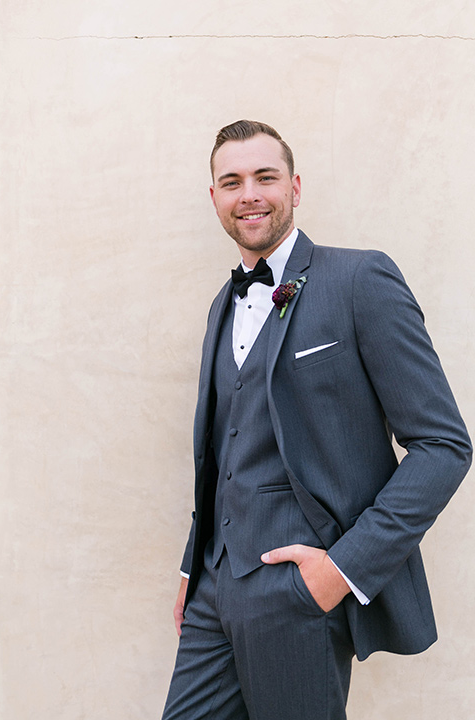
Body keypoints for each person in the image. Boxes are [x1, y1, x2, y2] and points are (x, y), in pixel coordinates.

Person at [161, 120, 472, 720]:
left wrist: (338, 573)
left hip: (297, 593)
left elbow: (443, 445)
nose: (248, 193)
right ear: (215, 198)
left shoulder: (360, 280)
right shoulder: (220, 307)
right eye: (232, 181)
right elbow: (222, 455)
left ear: (295, 187)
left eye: (264, 177)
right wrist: (192, 565)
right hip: (212, 590)